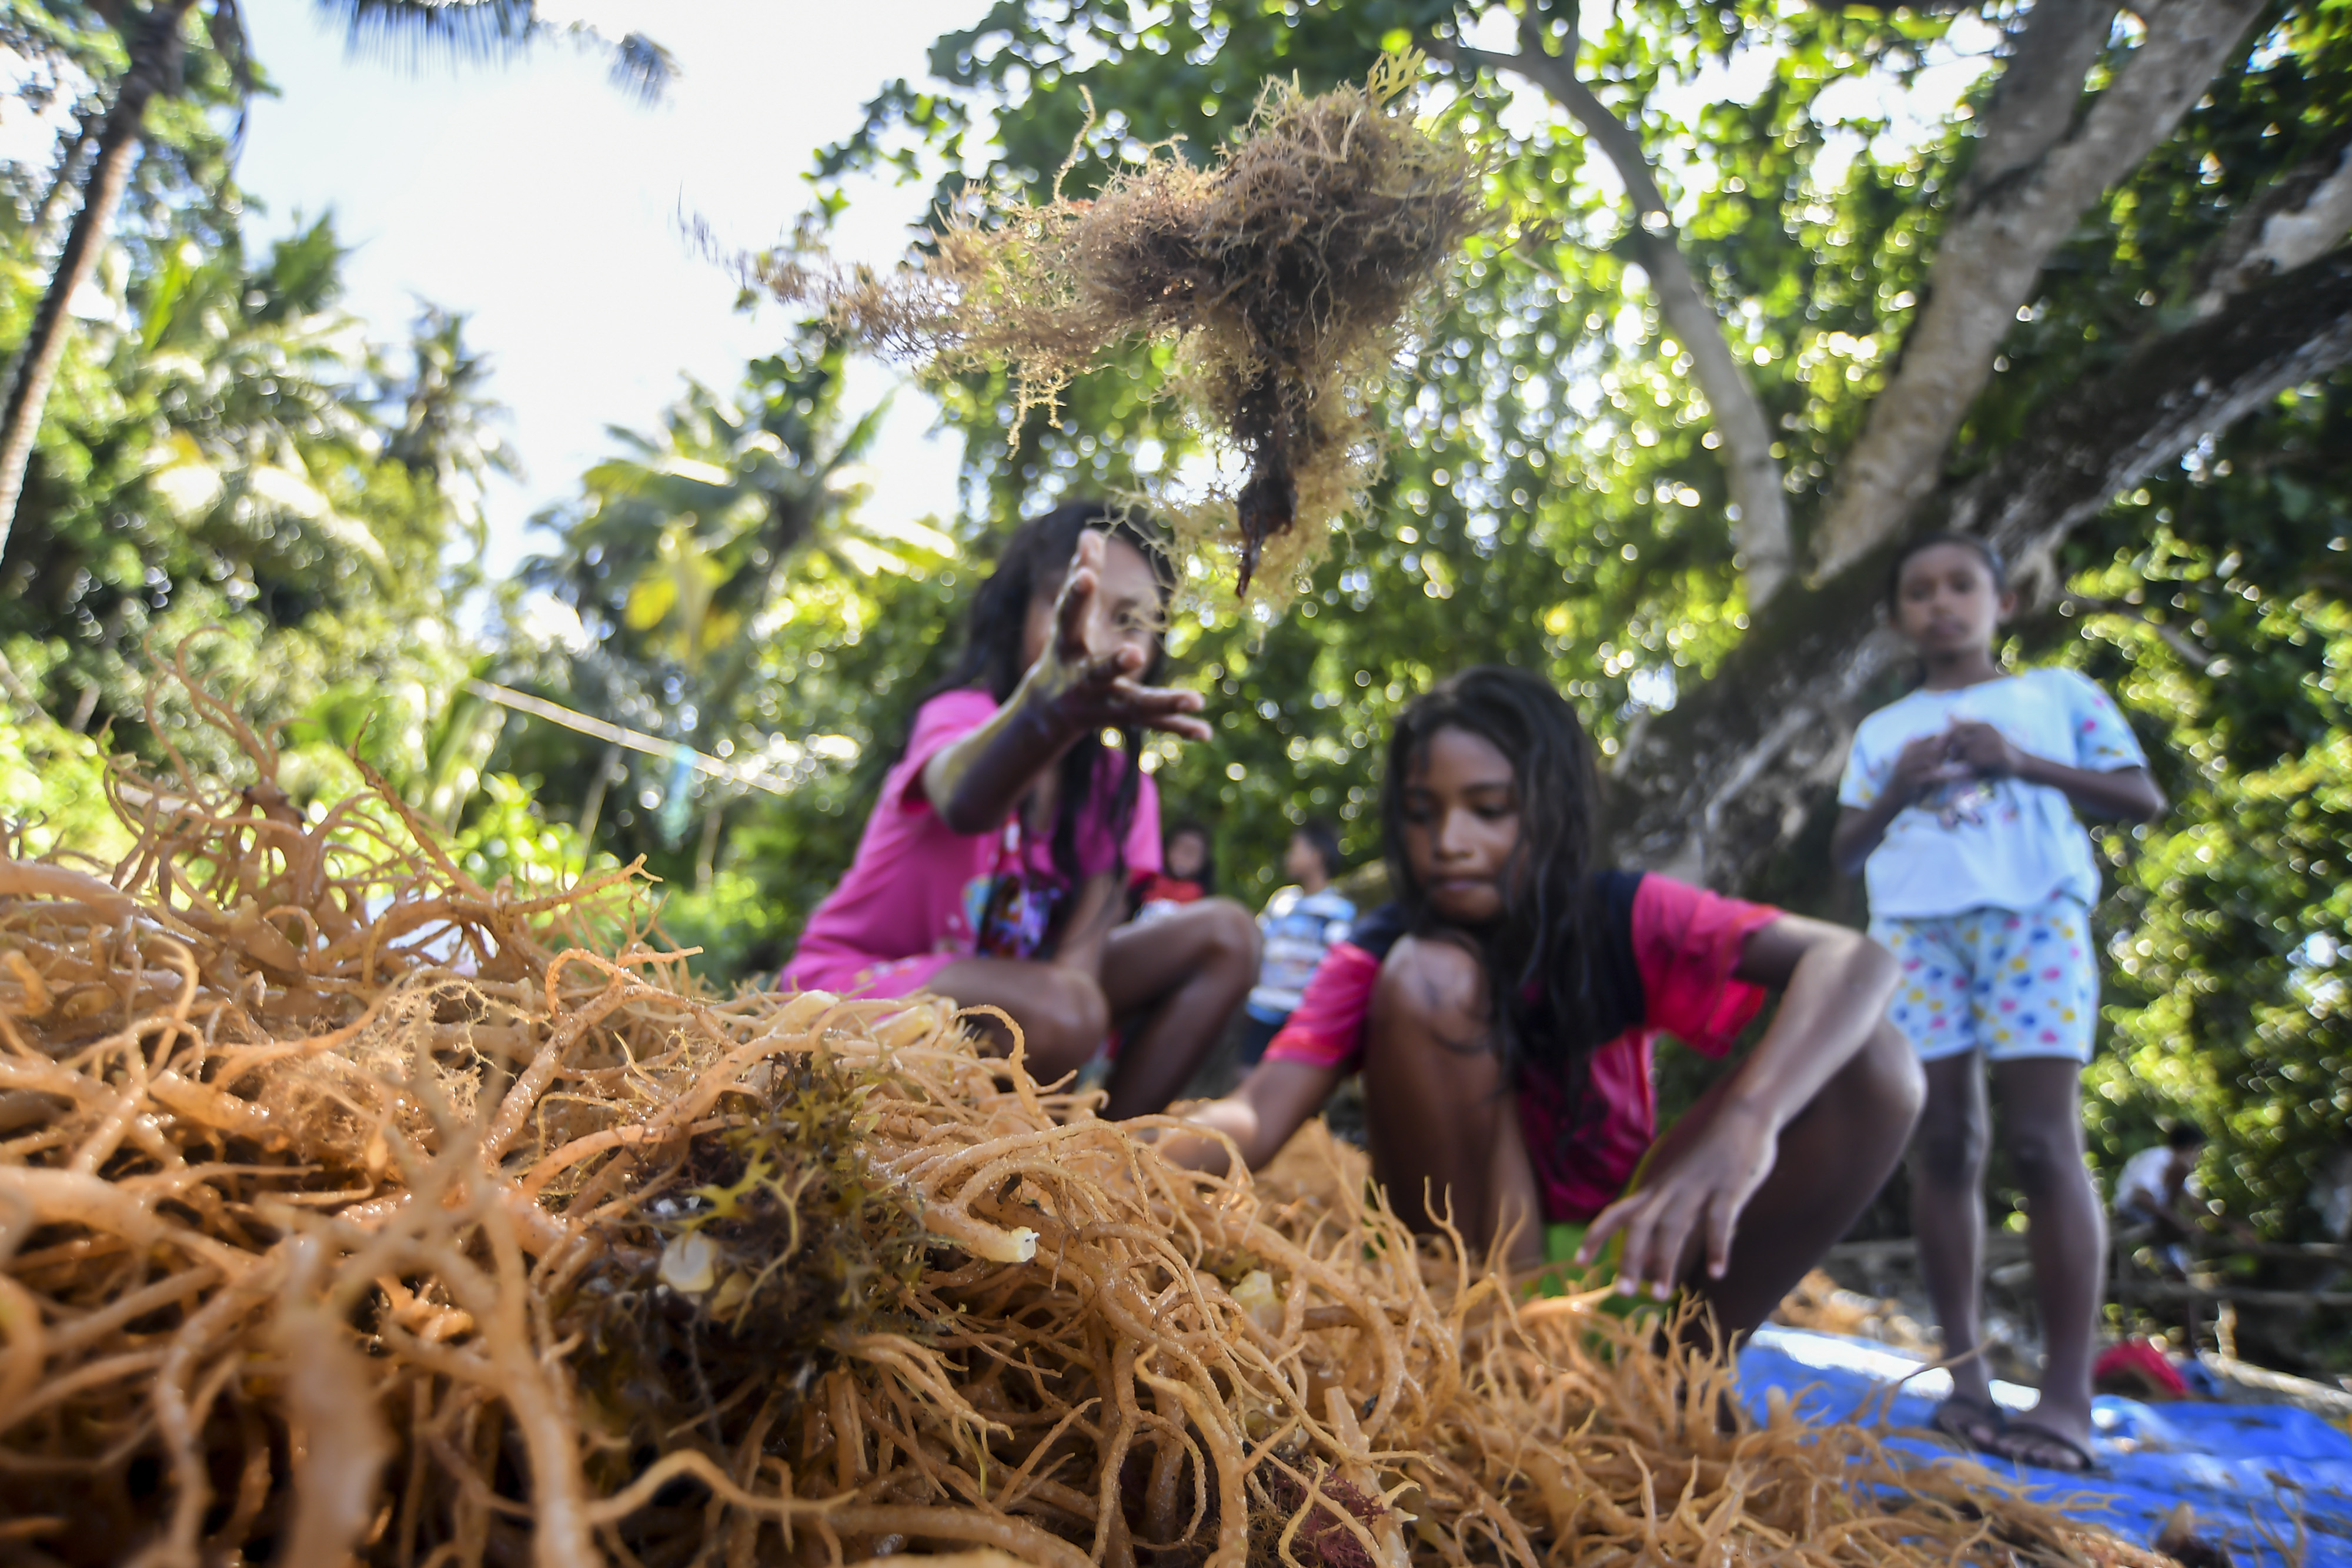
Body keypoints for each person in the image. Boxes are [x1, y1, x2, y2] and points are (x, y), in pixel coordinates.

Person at [1164, 666, 1923, 1346]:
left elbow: (1857, 955)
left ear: (1551, 811)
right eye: (1425, 812)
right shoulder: (1385, 947)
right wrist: (1097, 1168)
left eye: (1489, 808)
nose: (1450, 841)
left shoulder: (1623, 915)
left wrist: (1747, 1120)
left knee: (1878, 1057)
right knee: (1429, 971)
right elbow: (1258, 1112)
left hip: (1622, 1265)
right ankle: (1476, 1346)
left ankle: (1685, 1371)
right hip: (1466, 1275)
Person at [1830, 532, 2166, 1474]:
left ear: (2002, 601)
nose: (1942, 603)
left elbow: (2142, 796)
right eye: (1920, 591)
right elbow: (1846, 850)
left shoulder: (2056, 697)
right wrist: (1899, 788)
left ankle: (2066, 1398)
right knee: (1942, 1143)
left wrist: (2021, 761)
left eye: (1961, 586)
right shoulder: (1883, 730)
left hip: (2033, 922)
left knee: (2042, 1141)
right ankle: (1965, 1379)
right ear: (1900, 618)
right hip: (1917, 937)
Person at [781, 502, 1259, 1119]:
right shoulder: (959, 718)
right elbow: (964, 799)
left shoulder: (1123, 794)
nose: (1094, 639)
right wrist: (1042, 714)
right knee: (1061, 1011)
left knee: (1227, 936)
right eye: (1074, 605)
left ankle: (1100, 1165)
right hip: (847, 994)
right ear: (1021, 614)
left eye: (1129, 621)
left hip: (1013, 1013)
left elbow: (1075, 977)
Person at [1237, 819, 1354, 1065]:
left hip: (1300, 1015)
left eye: (1295, 848)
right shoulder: (1281, 900)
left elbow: (1336, 963)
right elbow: (1259, 939)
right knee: (1248, 1071)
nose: (1288, 856)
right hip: (1262, 1007)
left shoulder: (1337, 910)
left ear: (1316, 855)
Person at [2114, 1124, 2210, 1277]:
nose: (2198, 1157)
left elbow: (2193, 1203)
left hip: (2152, 1215)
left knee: (2178, 1253)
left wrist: (2232, 1226)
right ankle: (2173, 1273)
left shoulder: (2177, 1166)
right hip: (2132, 1210)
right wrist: (2177, 1222)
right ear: (2190, 1147)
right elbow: (2141, 1197)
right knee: (2168, 1232)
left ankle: (2176, 1272)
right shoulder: (2159, 1158)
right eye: (2198, 1151)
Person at [1132, 818, 1215, 915]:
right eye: (1180, 848)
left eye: (1193, 852)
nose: (1185, 857)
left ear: (1203, 862)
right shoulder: (1145, 883)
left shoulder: (1204, 903)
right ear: (1167, 849)